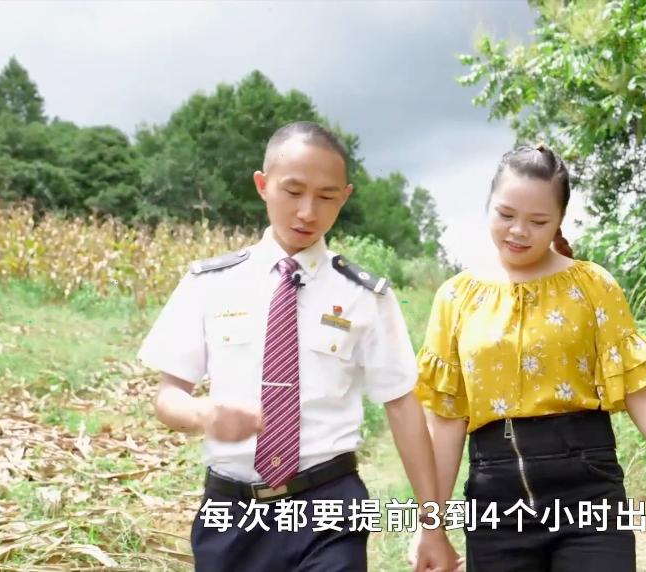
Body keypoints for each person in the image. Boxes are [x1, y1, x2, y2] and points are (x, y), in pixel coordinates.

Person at [413, 145, 646, 571]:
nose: (518, 231)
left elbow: (642, 393)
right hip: (496, 506)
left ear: (560, 219)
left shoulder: (592, 286)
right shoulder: (456, 297)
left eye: (538, 221)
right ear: (489, 204)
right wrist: (430, 524)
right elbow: (446, 420)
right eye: (506, 214)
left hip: (589, 497)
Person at [138, 121, 458, 572]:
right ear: (262, 185)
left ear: (345, 197)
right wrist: (204, 414)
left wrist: (432, 525)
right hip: (232, 514)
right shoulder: (210, 284)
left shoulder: (365, 296)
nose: (308, 212)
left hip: (328, 506)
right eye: (293, 191)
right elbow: (169, 394)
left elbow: (402, 405)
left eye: (326, 197)